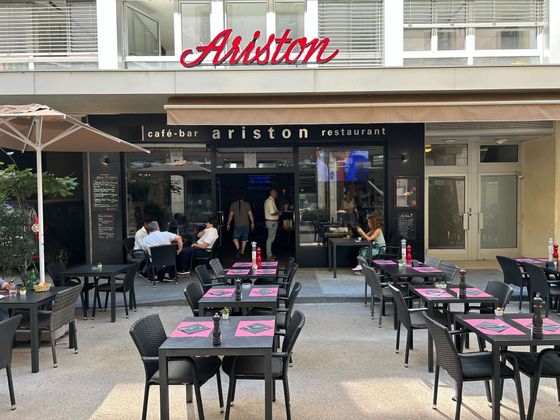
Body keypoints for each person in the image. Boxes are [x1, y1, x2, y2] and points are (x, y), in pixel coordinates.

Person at [264, 188, 282, 261]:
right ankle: (269, 255)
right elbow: (272, 213)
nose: (276, 195)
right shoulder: (270, 201)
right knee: (270, 239)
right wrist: (279, 212)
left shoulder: (268, 200)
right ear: (272, 193)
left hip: (270, 222)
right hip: (272, 222)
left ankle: (269, 255)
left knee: (270, 238)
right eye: (276, 193)